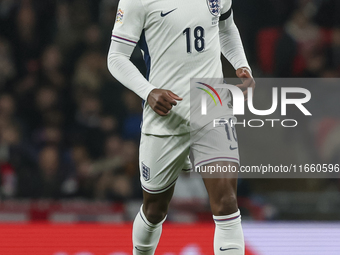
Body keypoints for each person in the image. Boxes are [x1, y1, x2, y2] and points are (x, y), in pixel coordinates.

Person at [107, 0, 255, 254]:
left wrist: (241, 64)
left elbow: (226, 27)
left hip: (211, 107)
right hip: (166, 116)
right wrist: (148, 91)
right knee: (154, 209)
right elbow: (116, 57)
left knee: (227, 202)